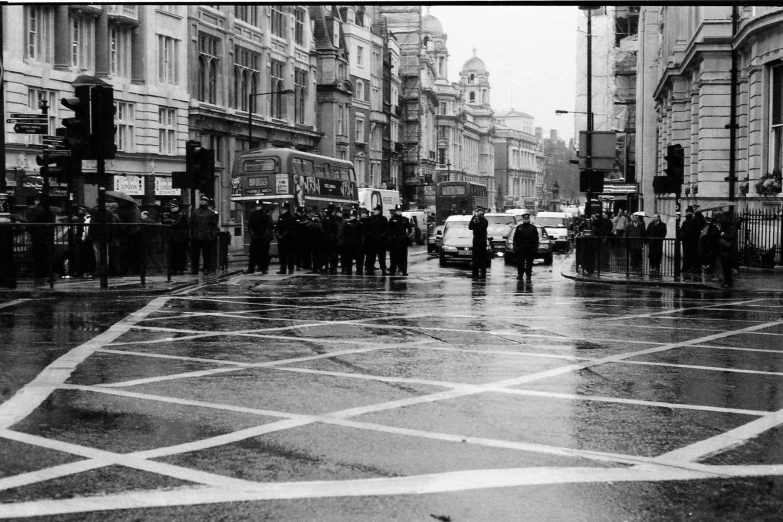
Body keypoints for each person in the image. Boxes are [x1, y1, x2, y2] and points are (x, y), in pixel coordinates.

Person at [191, 195, 220, 275]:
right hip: (196, 236)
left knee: (206, 255)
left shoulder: (210, 213)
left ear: (207, 202)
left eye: (204, 200)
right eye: (201, 200)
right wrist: (191, 234)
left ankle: (206, 268)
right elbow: (191, 223)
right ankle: (194, 269)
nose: (202, 202)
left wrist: (212, 235)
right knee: (195, 255)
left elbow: (214, 225)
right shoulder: (195, 212)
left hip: (206, 237)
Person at [244, 200, 273, 274]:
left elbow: (269, 226)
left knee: (264, 254)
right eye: (256, 206)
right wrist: (252, 235)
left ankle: (263, 268)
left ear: (261, 206)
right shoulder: (252, 215)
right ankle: (251, 269)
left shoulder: (265, 215)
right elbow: (250, 226)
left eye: (259, 206)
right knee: (253, 254)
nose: (257, 207)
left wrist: (265, 235)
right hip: (255, 238)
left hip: (264, 238)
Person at [512, 210, 539, 282]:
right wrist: (515, 247)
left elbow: (536, 239)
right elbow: (515, 238)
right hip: (521, 248)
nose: (526, 219)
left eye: (527, 218)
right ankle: (520, 274)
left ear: (529, 219)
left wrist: (535, 249)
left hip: (530, 248)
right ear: (523, 219)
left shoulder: (533, 228)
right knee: (520, 263)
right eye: (524, 218)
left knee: (529, 263)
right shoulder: (519, 227)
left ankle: (528, 275)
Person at [163, 201, 189, 275]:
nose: (172, 208)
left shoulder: (181, 214)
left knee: (180, 254)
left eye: (173, 207)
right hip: (172, 237)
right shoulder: (171, 214)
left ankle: (179, 269)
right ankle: (174, 269)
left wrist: (171, 221)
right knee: (173, 254)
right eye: (171, 207)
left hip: (180, 237)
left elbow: (177, 224)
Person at [387, 204, 412, 276]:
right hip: (394, 240)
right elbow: (388, 230)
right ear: (395, 211)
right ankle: (393, 270)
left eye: (400, 211)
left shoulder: (405, 219)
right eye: (397, 211)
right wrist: (391, 237)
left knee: (403, 257)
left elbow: (409, 229)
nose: (399, 212)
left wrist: (406, 235)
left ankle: (404, 270)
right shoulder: (391, 220)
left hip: (402, 240)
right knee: (393, 256)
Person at [364, 204, 388, 276]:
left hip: (381, 241)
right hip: (372, 241)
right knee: (371, 256)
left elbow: (386, 229)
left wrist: (382, 235)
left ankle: (383, 269)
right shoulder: (370, 219)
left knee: (382, 257)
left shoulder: (383, 219)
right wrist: (372, 235)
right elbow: (367, 229)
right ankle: (370, 269)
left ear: (379, 211)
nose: (375, 211)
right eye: (374, 210)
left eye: (376, 210)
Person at [717, 211, 738, 288]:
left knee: (727, 268)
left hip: (729, 250)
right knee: (725, 267)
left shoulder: (732, 227)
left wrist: (723, 234)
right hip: (724, 249)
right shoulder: (724, 226)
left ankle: (728, 282)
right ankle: (726, 281)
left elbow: (731, 237)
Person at [468, 205, 489, 279]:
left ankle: (483, 274)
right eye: (478, 211)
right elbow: (470, 227)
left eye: (480, 211)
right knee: (475, 259)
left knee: (482, 259)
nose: (478, 212)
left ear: (482, 212)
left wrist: (477, 223)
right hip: (476, 241)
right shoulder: (474, 218)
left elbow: (481, 228)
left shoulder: (485, 220)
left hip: (482, 241)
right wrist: (474, 221)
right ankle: (475, 274)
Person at [342, 209, 365, 274]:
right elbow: (344, 233)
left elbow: (362, 234)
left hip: (357, 244)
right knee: (349, 258)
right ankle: (348, 270)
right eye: (351, 215)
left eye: (353, 216)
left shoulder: (359, 224)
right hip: (349, 243)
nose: (352, 217)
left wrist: (361, 242)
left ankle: (359, 270)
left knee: (359, 259)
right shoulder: (347, 224)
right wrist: (345, 241)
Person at [680, 205, 701, 274]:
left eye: (688, 212)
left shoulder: (696, 219)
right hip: (687, 240)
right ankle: (687, 267)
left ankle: (693, 268)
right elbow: (683, 229)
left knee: (693, 254)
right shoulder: (687, 220)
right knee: (687, 254)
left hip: (692, 239)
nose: (686, 213)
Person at [306, 209, 326, 273]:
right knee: (319, 256)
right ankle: (318, 267)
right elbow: (323, 234)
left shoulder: (308, 225)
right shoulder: (320, 225)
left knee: (314, 256)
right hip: (320, 243)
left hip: (311, 243)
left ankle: (314, 267)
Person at [322, 203, 339, 274]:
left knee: (329, 254)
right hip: (330, 238)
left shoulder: (326, 218)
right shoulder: (332, 218)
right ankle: (331, 267)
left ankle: (328, 266)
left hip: (329, 239)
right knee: (332, 255)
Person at [294, 206, 311, 271]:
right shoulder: (295, 217)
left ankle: (306, 265)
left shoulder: (306, 217)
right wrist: (304, 223)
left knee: (306, 252)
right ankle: (298, 265)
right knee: (298, 252)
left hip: (305, 237)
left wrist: (300, 223)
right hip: (298, 237)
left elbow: (309, 224)